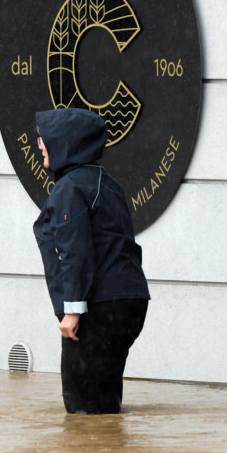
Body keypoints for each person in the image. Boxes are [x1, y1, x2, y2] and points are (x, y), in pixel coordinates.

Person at [32, 108, 150, 414]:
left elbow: (76, 253)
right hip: (129, 302)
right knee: (105, 402)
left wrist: (72, 310)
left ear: (64, 142)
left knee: (82, 407)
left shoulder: (71, 188)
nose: (39, 144)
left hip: (98, 309)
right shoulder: (108, 183)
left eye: (43, 138)